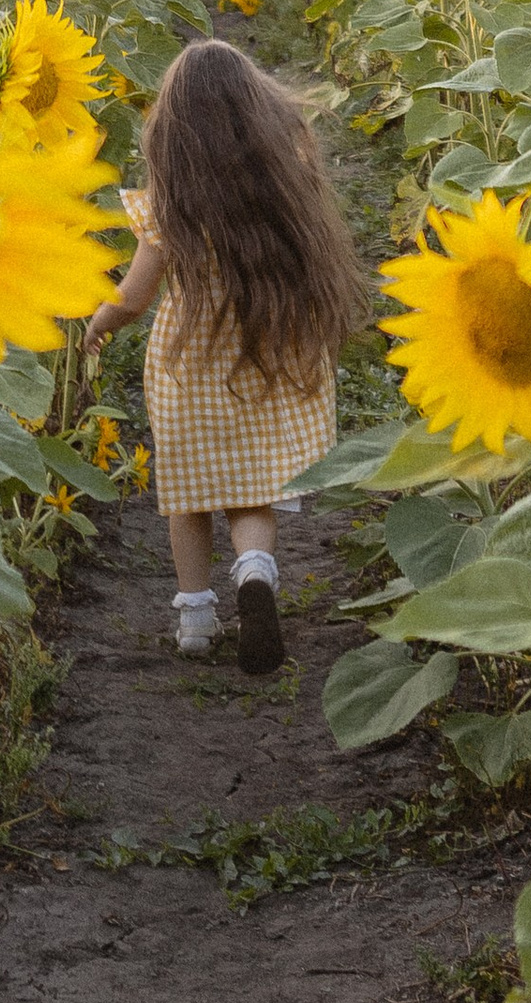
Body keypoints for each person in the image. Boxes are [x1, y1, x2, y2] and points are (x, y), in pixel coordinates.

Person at [81, 37, 366, 673]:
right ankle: (256, 571)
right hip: (260, 347)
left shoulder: (170, 207)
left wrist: (98, 325)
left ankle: (194, 620)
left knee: (188, 494)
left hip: (188, 366)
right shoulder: (279, 189)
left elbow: (134, 297)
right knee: (249, 489)